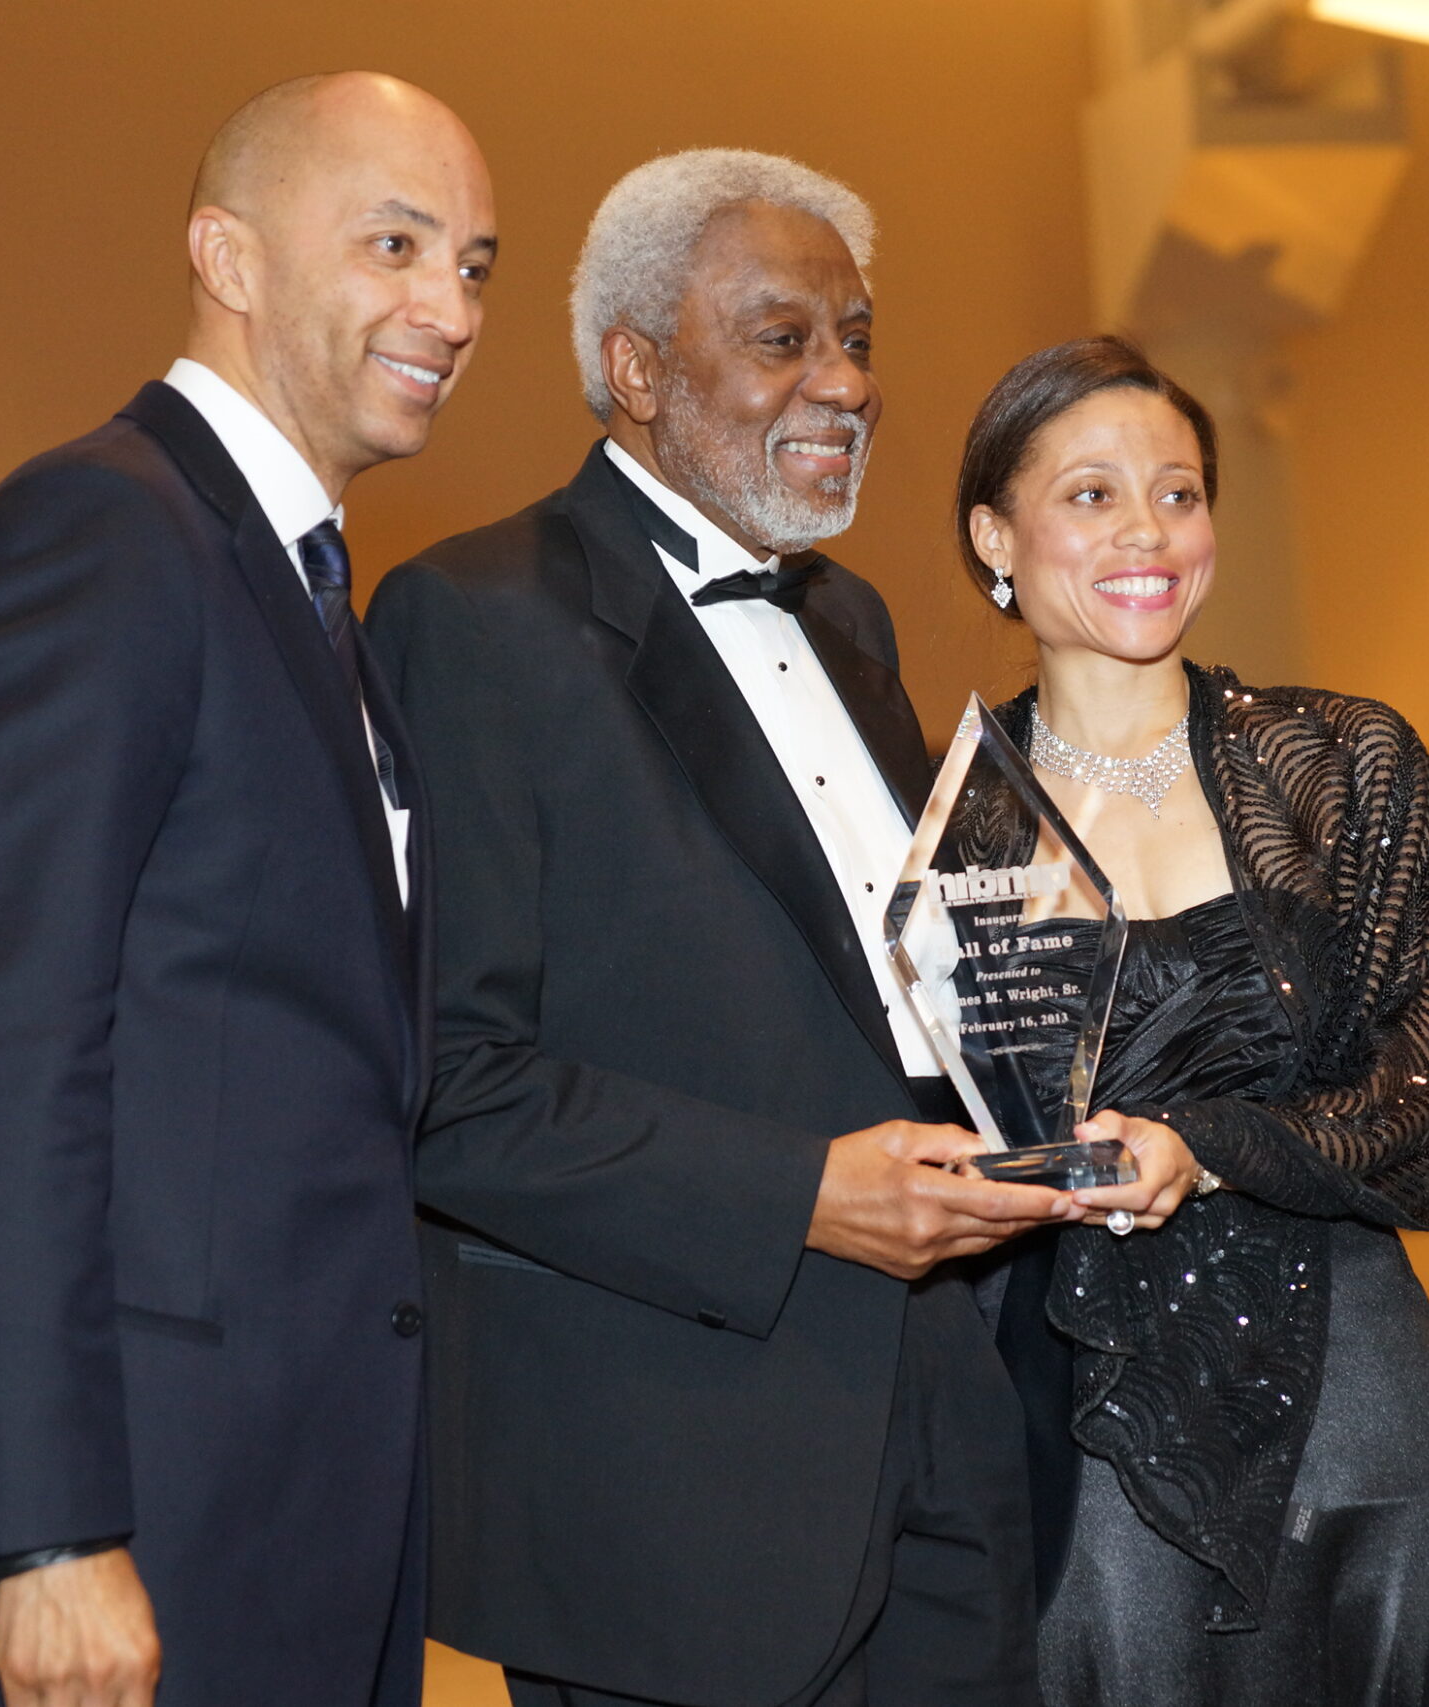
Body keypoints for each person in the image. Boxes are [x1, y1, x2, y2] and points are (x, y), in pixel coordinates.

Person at [0, 73, 493, 1707]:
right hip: (114, 1527)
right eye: (396, 241)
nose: (449, 304)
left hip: (281, 1518)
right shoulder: (98, 534)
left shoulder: (309, 603)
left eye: (476, 264)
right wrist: (46, 1531)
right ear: (228, 253)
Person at [364, 150, 1074, 1707]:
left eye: (860, 337)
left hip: (952, 1415)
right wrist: (803, 1194)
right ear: (635, 368)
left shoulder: (856, 619)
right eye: (782, 339)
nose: (848, 383)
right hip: (672, 1484)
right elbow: (450, 1084)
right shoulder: (469, 618)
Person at [951, 335, 1429, 1704]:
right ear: (993, 535)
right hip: (1085, 1400)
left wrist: (1202, 1141)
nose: (1147, 529)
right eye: (1090, 493)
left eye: (1179, 491)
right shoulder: (940, 823)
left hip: (1363, 1399)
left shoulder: (1342, 761)